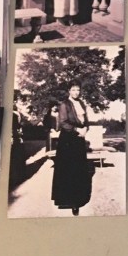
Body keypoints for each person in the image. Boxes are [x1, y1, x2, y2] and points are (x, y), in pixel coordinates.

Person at [52, 84, 93, 216]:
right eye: (73, 90)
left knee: (79, 168)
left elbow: (85, 120)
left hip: (79, 139)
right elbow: (63, 122)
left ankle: (79, 197)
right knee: (69, 168)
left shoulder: (81, 103)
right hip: (68, 140)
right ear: (69, 91)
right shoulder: (64, 104)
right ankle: (70, 201)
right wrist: (77, 130)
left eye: (78, 90)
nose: (76, 92)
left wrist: (86, 128)